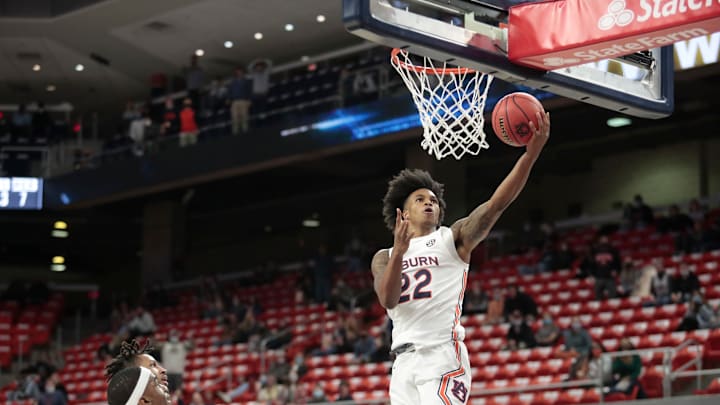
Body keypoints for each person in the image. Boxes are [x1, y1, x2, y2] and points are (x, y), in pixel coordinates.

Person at [371, 112, 550, 404]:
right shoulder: (384, 256)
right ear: (403, 213)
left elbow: (495, 206)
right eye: (420, 199)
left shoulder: (452, 238)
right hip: (403, 364)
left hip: (441, 356)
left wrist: (530, 156)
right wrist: (400, 254)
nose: (429, 202)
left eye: (433, 200)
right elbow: (388, 300)